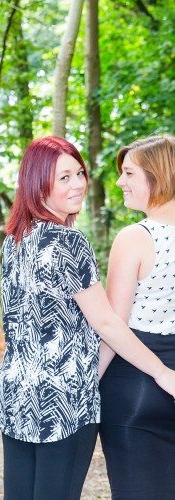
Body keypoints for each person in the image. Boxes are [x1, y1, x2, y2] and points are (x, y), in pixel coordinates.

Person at [0, 136, 175, 500]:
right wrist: (160, 372)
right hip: (64, 398)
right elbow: (107, 322)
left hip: (17, 391)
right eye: (64, 177)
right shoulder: (68, 242)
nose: (78, 183)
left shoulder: (16, 238)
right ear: (37, 182)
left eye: (79, 173)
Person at [99, 135, 175, 500]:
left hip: (137, 386)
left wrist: (82, 387)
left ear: (157, 177)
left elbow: (113, 326)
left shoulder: (136, 237)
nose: (120, 181)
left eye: (128, 173)